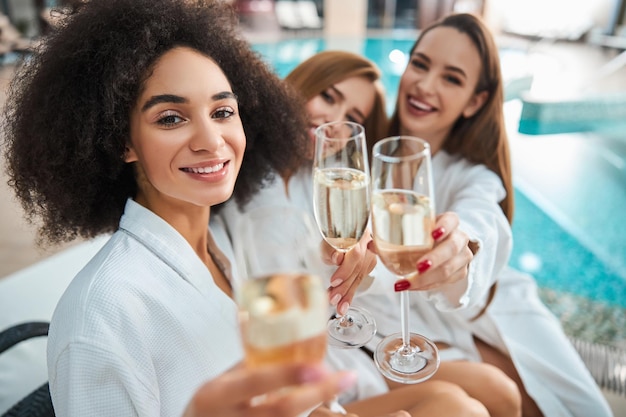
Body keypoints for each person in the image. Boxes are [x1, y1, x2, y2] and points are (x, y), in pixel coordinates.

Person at [1, 0, 359, 416]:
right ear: (123, 141)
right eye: (171, 118)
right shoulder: (101, 316)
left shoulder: (223, 247)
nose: (211, 140)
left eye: (223, 111)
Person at [214, 50, 508, 417]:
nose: (332, 123)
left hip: (354, 341)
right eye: (328, 96)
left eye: (352, 118)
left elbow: (355, 251)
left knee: (500, 392)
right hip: (310, 361)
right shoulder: (235, 177)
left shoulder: (320, 175)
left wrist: (360, 256)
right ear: (301, 82)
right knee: (468, 406)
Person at [360, 12, 613, 417]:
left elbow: (480, 218)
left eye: (452, 78)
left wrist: (463, 250)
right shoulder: (368, 157)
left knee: (570, 405)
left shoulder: (472, 174)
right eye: (420, 64)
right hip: (408, 314)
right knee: (498, 395)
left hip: (490, 299)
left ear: (475, 101)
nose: (425, 85)